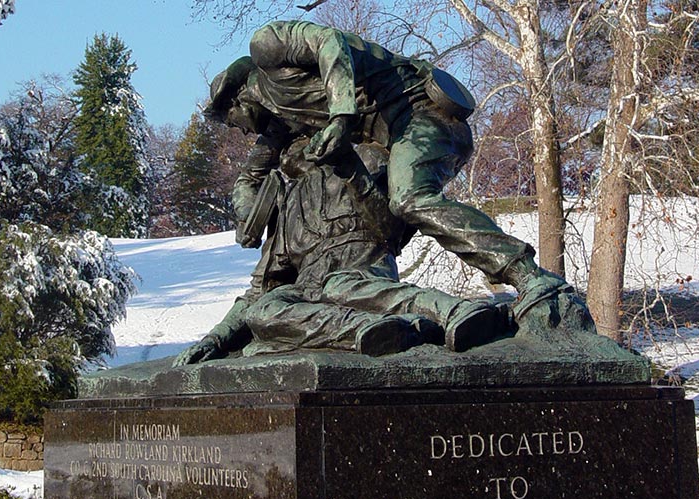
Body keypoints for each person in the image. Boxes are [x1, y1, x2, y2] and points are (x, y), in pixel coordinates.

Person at [203, 20, 593, 331]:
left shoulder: (266, 46)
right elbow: (252, 175)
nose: (240, 132)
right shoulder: (280, 119)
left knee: (409, 198)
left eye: (232, 122)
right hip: (392, 138)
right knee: (379, 221)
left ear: (236, 99)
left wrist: (341, 118)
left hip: (421, 112)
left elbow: (329, 44)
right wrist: (247, 216)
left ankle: (529, 276)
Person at [173, 139, 510, 365]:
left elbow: (391, 228)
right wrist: (216, 339)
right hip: (311, 292)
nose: (292, 150)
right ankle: (374, 331)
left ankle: (453, 312)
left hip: (362, 269)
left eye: (302, 138)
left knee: (343, 287)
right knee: (263, 312)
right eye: (287, 146)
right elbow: (257, 293)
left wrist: (351, 170)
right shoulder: (289, 206)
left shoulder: (366, 160)